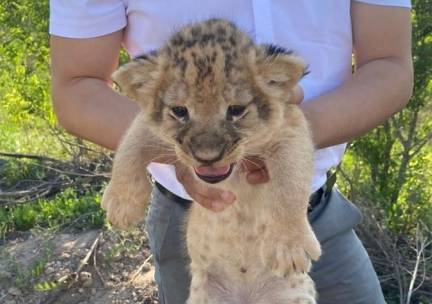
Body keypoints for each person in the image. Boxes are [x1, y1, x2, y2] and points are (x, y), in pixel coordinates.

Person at [49, 1, 413, 303]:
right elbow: (77, 86)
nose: (209, 150)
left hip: (308, 217)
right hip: (195, 223)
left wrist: (286, 135)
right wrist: (172, 152)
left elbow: (389, 65)